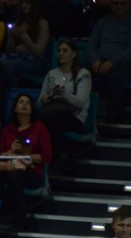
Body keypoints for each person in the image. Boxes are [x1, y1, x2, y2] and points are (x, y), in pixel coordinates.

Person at [0, 94, 52, 230]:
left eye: (28, 103)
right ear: (15, 108)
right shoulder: (8, 130)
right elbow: (1, 155)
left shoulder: (39, 128)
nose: (24, 104)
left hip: (32, 171)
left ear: (32, 109)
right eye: (21, 102)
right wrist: (11, 150)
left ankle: (20, 218)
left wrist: (26, 157)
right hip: (8, 167)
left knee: (15, 177)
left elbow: (46, 156)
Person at [38, 39, 92, 175]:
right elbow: (39, 103)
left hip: (74, 118)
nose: (61, 53)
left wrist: (64, 94)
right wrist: (45, 99)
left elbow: (80, 102)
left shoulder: (83, 74)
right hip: (52, 113)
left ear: (74, 54)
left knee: (54, 120)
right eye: (59, 51)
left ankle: (53, 160)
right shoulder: (51, 74)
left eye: (65, 50)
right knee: (43, 120)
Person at [87, 0, 131, 123]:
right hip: (100, 63)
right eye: (115, 3)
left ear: (128, 5)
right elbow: (91, 46)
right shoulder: (102, 22)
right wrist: (95, 61)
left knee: (115, 73)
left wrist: (112, 62)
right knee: (80, 73)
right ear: (111, 5)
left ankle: (114, 115)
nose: (118, 6)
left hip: (123, 65)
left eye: (122, 3)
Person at [0, 0, 50, 88]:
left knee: (7, 65)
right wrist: (11, 37)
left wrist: (23, 35)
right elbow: (10, 50)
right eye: (22, 3)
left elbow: (39, 52)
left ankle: (14, 91)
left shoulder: (43, 24)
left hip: (35, 62)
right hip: (16, 57)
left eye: (27, 3)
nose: (24, 5)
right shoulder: (18, 22)